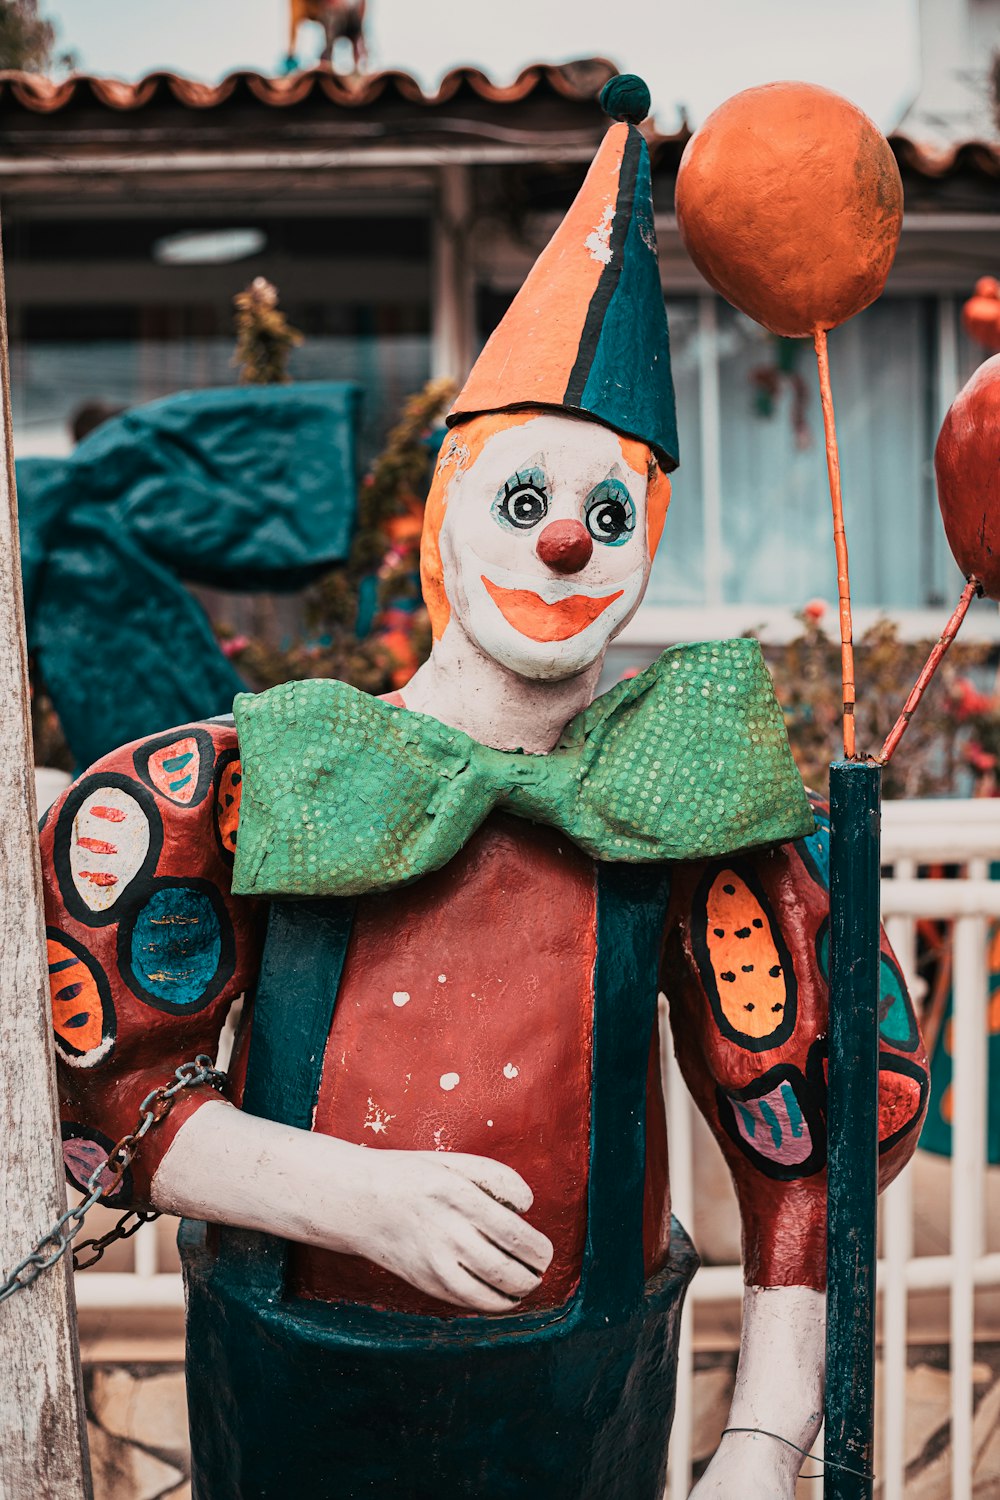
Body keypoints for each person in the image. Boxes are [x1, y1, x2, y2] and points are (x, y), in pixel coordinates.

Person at [42, 78, 928, 1499]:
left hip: (590, 1407)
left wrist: (764, 1436)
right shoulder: (269, 773)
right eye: (527, 502)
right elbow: (105, 1086)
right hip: (288, 1400)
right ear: (446, 509)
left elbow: (802, 1144)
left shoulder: (683, 819)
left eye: (610, 513)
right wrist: (334, 1191)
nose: (570, 543)